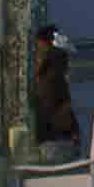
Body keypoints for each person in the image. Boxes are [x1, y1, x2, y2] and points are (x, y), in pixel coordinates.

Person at [31, 23, 81, 163]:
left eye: (39, 50)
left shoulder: (49, 80)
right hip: (61, 140)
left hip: (55, 142)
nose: (37, 56)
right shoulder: (54, 77)